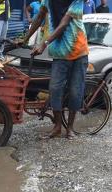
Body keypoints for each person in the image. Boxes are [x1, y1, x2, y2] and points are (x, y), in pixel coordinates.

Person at [24, 0, 89, 138]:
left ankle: (70, 128)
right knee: (54, 89)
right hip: (59, 53)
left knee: (75, 90)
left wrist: (44, 44)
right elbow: (39, 17)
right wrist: (26, 38)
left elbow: (64, 23)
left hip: (78, 52)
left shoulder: (76, 1)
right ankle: (57, 126)